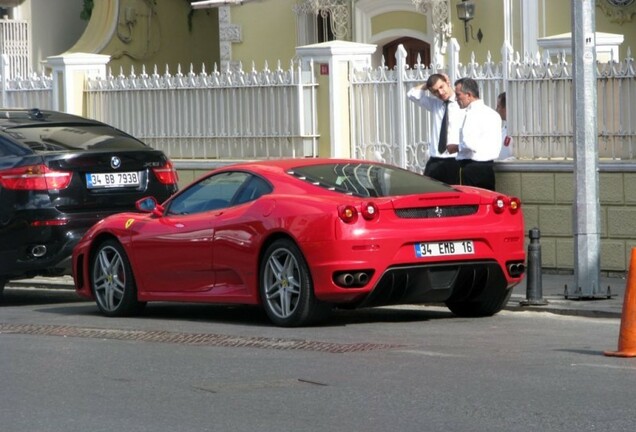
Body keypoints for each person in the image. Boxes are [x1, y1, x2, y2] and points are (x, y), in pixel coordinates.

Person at [446, 78, 501, 191]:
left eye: (458, 95)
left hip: (470, 168)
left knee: (467, 204)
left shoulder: (471, 114)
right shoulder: (493, 113)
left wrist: (455, 147)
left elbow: (469, 144)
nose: (456, 99)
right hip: (488, 168)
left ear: (469, 95)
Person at [407, 73, 461, 184]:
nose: (440, 93)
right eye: (435, 91)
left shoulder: (461, 102)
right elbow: (411, 94)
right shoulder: (435, 104)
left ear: (447, 82)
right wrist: (426, 85)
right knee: (427, 194)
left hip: (455, 159)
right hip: (435, 159)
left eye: (441, 87)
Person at [495, 92, 514, 160]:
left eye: (498, 106)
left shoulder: (519, 131)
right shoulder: (502, 130)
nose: (496, 109)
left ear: (506, 108)